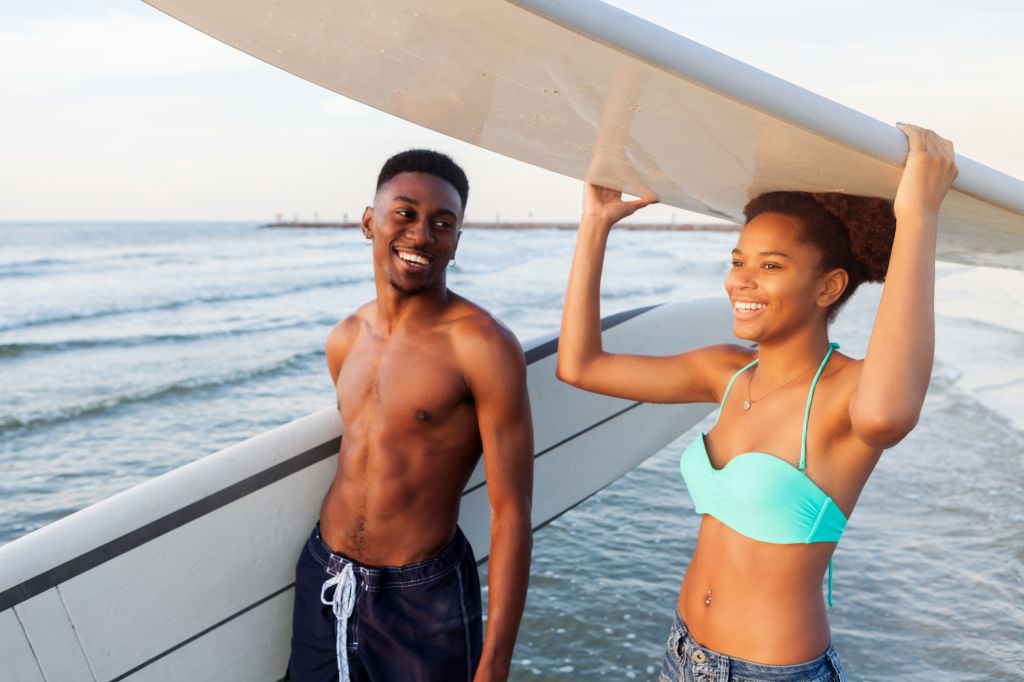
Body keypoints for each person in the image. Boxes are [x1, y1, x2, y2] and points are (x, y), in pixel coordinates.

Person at [556, 125, 956, 681]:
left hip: (771, 671)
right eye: (738, 261)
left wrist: (918, 216)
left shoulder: (848, 394)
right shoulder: (726, 372)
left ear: (828, 287)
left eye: (770, 266)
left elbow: (889, 414)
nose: (741, 282)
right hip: (682, 652)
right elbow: (580, 366)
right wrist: (596, 224)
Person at [287, 149, 534, 682]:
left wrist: (494, 664)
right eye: (405, 213)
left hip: (422, 598)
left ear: (456, 242)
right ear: (369, 222)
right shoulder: (345, 339)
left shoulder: (482, 346)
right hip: (325, 577)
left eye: (443, 224)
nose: (422, 234)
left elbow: (511, 512)